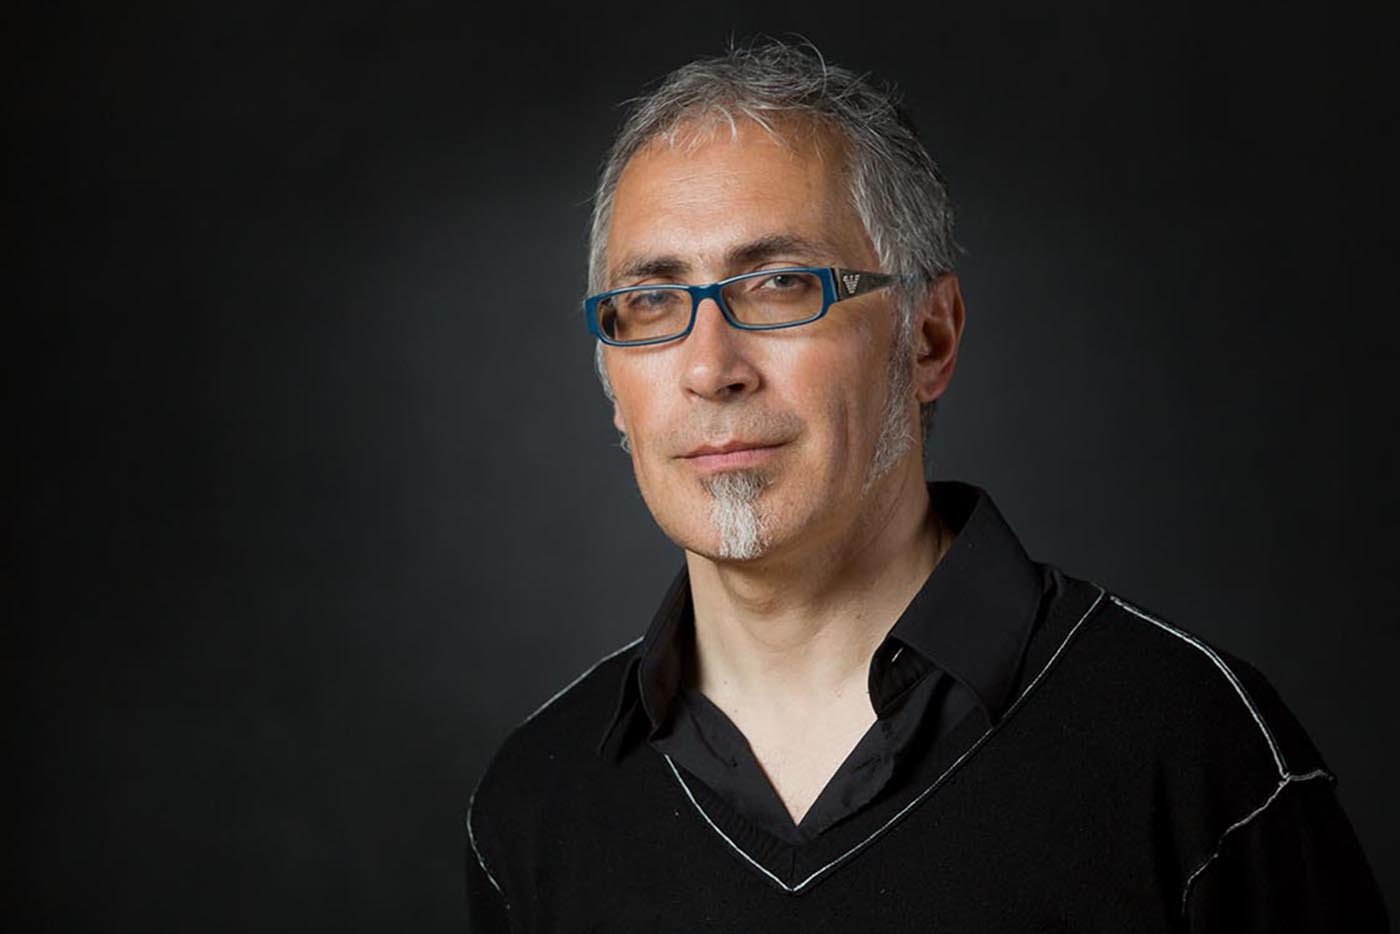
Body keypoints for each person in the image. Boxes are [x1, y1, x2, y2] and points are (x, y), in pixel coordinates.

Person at [464, 41, 1386, 932]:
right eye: (651, 302)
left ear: (928, 338)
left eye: (782, 285)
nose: (711, 369)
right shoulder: (535, 804)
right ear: (613, 384)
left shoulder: (1195, 755)